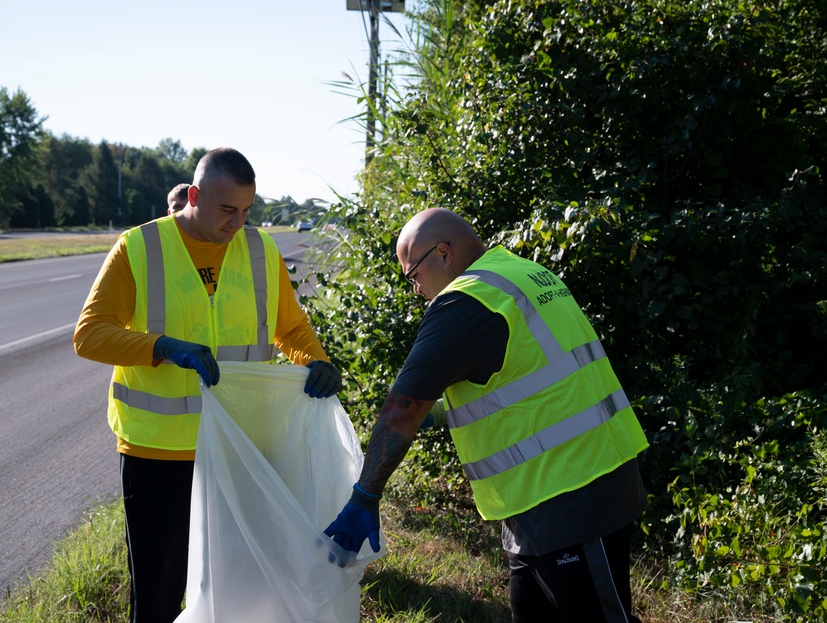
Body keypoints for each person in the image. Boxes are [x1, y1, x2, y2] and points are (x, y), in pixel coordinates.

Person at [324, 208, 649, 623]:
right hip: (556, 489)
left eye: (414, 276)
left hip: (571, 493)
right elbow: (524, 376)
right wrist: (441, 414)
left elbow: (400, 412)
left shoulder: (465, 302)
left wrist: (365, 498)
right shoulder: (522, 273)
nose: (417, 290)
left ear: (443, 253)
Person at [74, 147, 342, 623]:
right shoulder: (140, 247)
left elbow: (291, 330)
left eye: (246, 211)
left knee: (234, 583)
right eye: (226, 210)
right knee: (158, 586)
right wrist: (160, 346)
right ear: (194, 196)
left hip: (239, 447)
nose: (237, 223)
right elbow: (89, 334)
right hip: (159, 452)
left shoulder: (260, 250)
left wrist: (316, 361)